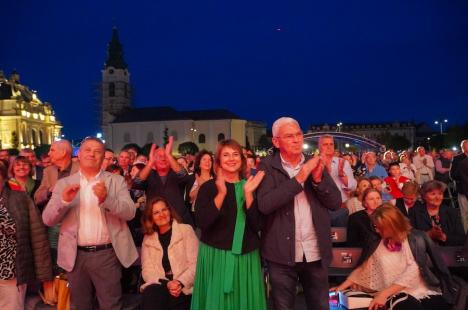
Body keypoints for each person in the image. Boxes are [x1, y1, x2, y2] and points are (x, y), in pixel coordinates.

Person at [42, 137, 138, 310]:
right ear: (78, 156)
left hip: (107, 254)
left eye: (97, 151)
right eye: (87, 150)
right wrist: (63, 201)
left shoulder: (116, 181)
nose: (92, 154)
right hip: (75, 255)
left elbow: (130, 213)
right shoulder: (64, 183)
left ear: (103, 158)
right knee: (80, 305)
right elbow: (48, 219)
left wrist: (107, 199)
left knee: (111, 304)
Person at [256, 117, 342, 310]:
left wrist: (318, 181)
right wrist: (300, 178)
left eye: (298, 134)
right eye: (289, 136)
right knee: (283, 306)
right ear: (276, 142)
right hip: (281, 254)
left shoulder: (314, 164)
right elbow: (265, 204)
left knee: (320, 306)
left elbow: (335, 203)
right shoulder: (267, 167)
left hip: (315, 251)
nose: (296, 139)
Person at [332, 204, 456, 310]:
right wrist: (341, 287)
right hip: (393, 293)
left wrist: (384, 293)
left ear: (391, 225)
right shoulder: (375, 241)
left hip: (419, 288)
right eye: (374, 226)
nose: (376, 230)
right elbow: (364, 268)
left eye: (379, 226)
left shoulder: (415, 238)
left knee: (438, 305)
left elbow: (414, 269)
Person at [191, 139, 267, 310]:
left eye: (235, 155)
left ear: (241, 159)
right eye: (226, 155)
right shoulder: (208, 188)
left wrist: (248, 194)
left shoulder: (251, 186)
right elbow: (202, 222)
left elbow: (258, 225)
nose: (231, 159)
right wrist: (222, 194)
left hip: (246, 257)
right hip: (215, 256)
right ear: (218, 161)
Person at [0, 161, 53, 310]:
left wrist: (44, 274)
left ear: (4, 178)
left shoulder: (21, 199)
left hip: (12, 273)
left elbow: (38, 237)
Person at [140, 197, 199, 310]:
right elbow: (147, 270)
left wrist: (179, 282)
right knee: (151, 294)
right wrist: (166, 283)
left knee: (173, 301)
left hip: (183, 286)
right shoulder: (148, 239)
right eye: (156, 212)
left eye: (164, 210)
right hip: (160, 285)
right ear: (151, 218)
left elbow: (196, 265)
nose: (161, 214)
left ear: (170, 211)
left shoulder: (186, 230)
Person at [134, 137, 194, 225]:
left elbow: (184, 175)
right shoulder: (149, 174)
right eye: (159, 156)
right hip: (156, 222)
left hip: (179, 220)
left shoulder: (175, 172)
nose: (163, 159)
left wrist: (169, 155)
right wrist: (150, 162)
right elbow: (137, 182)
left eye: (165, 156)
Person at [410, 180, 465, 246]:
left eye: (440, 194)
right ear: (424, 196)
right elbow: (411, 237)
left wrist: (444, 237)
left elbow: (462, 239)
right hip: (424, 253)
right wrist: (428, 235)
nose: (437, 197)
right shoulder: (414, 212)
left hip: (448, 252)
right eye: (433, 194)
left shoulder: (452, 212)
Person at [189, 150, 215, 214]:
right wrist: (200, 186)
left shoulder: (216, 178)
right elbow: (190, 197)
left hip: (213, 211)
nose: (207, 162)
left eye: (210, 160)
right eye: (204, 159)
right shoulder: (192, 177)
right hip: (196, 212)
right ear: (199, 163)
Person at [450, 139, 468, 232]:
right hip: (463, 190)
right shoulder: (457, 159)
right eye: (467, 145)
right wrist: (462, 172)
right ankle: (466, 234)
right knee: (464, 214)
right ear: (463, 147)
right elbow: (452, 175)